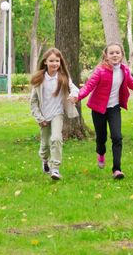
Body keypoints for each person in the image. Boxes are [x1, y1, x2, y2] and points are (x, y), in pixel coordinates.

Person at [76, 42, 133, 179]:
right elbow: (89, 86)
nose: (115, 55)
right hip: (99, 109)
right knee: (101, 137)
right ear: (106, 56)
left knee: (117, 137)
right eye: (111, 53)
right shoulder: (100, 70)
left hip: (114, 108)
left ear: (122, 55)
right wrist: (78, 96)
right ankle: (101, 152)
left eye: (117, 52)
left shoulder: (124, 70)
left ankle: (117, 169)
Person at [30, 48, 79, 180]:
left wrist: (74, 95)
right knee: (45, 144)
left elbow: (74, 88)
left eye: (57, 61)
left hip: (58, 114)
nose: (54, 64)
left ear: (60, 62)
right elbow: (33, 102)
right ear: (45, 62)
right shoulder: (39, 79)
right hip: (44, 116)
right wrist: (39, 118)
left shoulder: (63, 78)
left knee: (56, 138)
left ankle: (55, 168)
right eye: (51, 61)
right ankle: (45, 160)